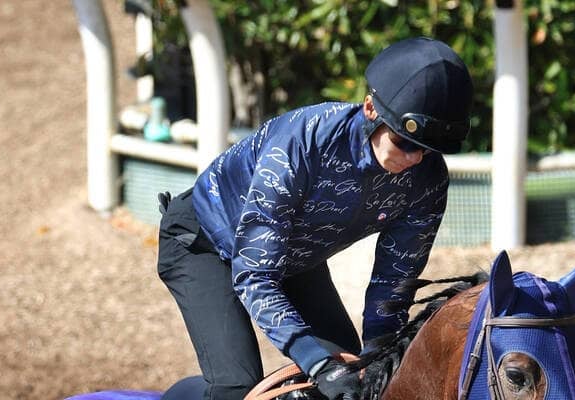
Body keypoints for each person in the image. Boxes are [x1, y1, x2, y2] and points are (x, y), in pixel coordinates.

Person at [156, 37, 473, 400]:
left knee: (350, 378)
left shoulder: (428, 181)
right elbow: (255, 275)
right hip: (203, 242)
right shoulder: (301, 143)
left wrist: (377, 365)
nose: (415, 159)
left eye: (429, 150)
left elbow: (393, 285)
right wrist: (317, 363)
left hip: (293, 256)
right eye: (406, 142)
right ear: (371, 108)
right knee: (236, 387)